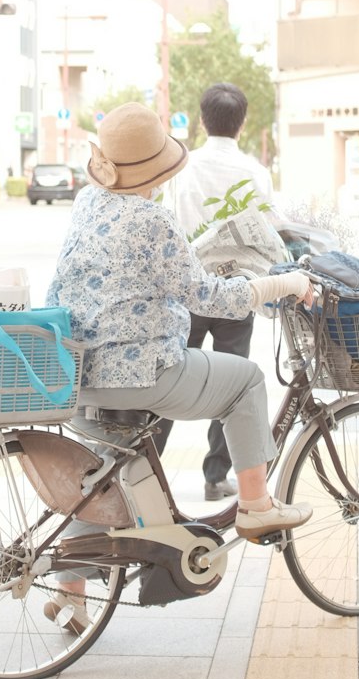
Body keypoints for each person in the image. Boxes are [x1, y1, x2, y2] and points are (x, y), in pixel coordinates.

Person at [45, 103, 313, 629]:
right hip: (144, 372)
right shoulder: (152, 218)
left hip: (79, 372)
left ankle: (71, 594)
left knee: (96, 481)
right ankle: (256, 505)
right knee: (247, 381)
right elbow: (207, 295)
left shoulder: (86, 202)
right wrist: (285, 283)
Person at [156, 82, 275, 499]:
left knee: (167, 379)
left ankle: (146, 475)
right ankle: (215, 477)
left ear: (203, 119)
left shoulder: (180, 168)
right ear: (241, 125)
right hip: (235, 292)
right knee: (234, 383)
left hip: (186, 290)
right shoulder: (257, 174)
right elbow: (267, 233)